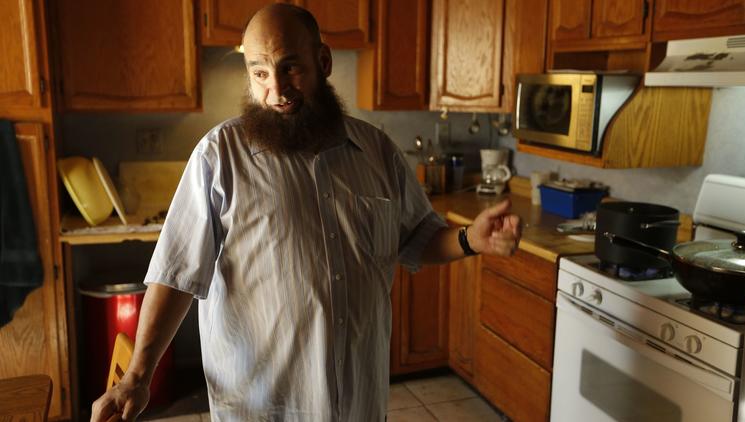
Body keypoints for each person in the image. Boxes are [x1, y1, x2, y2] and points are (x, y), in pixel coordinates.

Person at [90, 4, 522, 422]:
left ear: (323, 61)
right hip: (263, 409)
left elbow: (417, 237)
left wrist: (469, 239)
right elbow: (175, 273)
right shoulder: (219, 157)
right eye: (260, 73)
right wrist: (137, 377)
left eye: (290, 68)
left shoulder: (377, 152)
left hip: (358, 402)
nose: (276, 91)